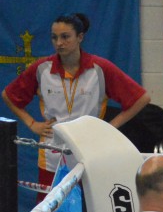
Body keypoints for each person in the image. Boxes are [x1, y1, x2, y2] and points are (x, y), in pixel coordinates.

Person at [2, 12, 150, 188]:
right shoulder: (41, 69)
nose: (59, 43)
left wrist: (109, 128)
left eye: (65, 37)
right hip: (52, 153)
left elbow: (141, 98)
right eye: (54, 37)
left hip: (90, 151)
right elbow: (9, 95)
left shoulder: (99, 69)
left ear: (80, 37)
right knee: (50, 209)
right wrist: (32, 123)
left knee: (89, 209)